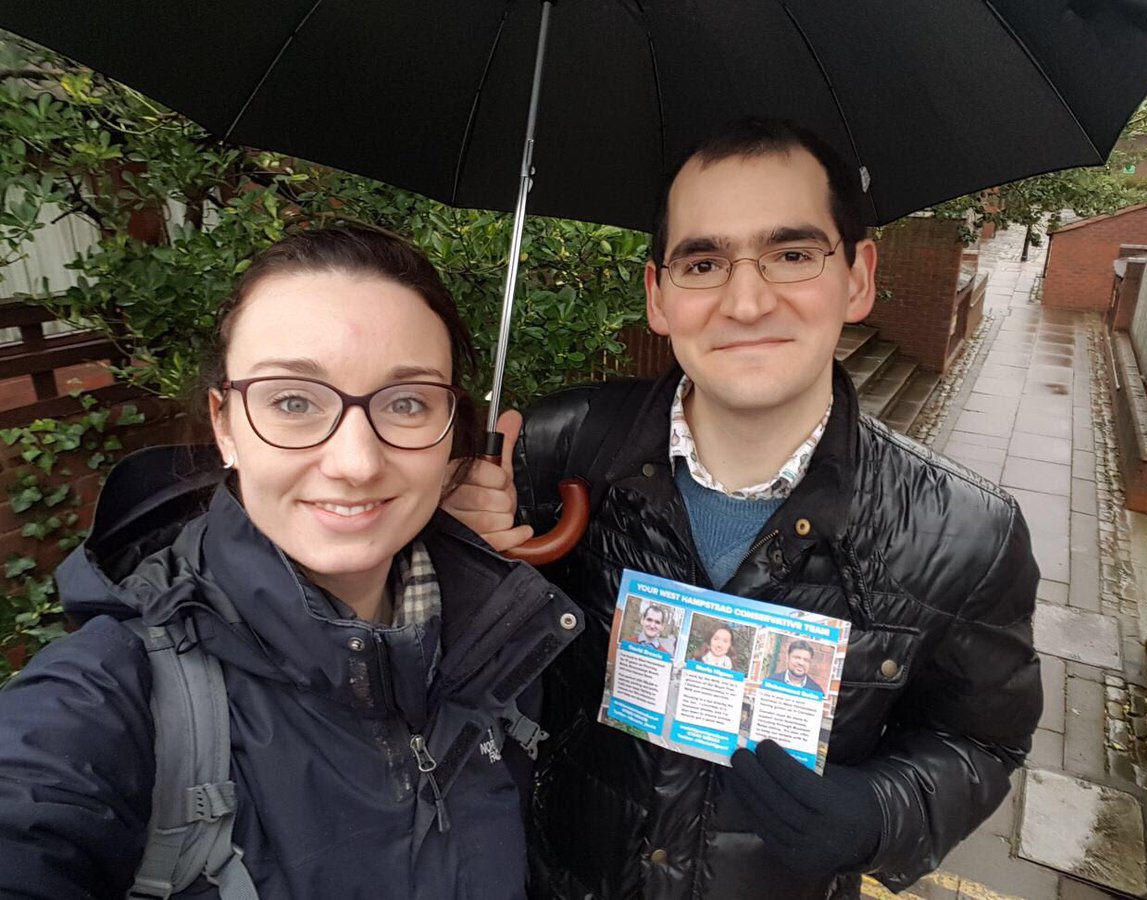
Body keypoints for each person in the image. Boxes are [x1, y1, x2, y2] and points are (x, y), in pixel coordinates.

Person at [444, 118, 1041, 899]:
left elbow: (980, 739)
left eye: (792, 254)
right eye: (703, 261)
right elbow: (443, 677)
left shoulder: (964, 535)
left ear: (858, 276)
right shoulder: (555, 451)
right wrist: (456, 553)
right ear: (659, 296)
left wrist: (881, 815)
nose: (748, 300)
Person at [0, 225, 583, 899]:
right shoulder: (111, 702)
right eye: (295, 402)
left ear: (451, 431)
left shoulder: (500, 642)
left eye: (407, 403)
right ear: (224, 424)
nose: (357, 463)